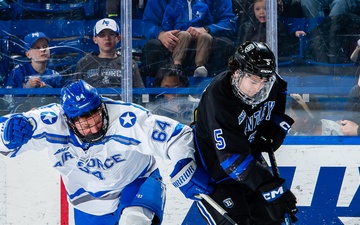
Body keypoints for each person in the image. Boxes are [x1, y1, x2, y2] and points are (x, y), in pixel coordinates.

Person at [0, 79, 213, 225]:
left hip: (137, 180)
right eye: (84, 124)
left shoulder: (126, 119)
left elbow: (177, 135)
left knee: (135, 220)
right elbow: (5, 138)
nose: (93, 128)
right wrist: (6, 137)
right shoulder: (49, 122)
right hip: (88, 201)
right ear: (68, 120)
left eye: (96, 118)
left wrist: (184, 163)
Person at [192, 41, 298, 224]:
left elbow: (280, 88)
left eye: (264, 81)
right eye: (253, 80)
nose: (258, 88)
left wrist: (274, 125)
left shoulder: (271, 83)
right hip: (215, 176)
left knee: (272, 220)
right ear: (236, 71)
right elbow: (231, 159)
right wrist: (270, 186)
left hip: (250, 164)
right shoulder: (219, 97)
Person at [142, 0, 237, 77]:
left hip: (206, 43)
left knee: (225, 45)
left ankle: (214, 87)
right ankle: (159, 89)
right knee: (152, 46)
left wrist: (207, 29)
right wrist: (161, 34)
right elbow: (147, 23)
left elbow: (229, 23)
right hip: (173, 45)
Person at [74, 18, 145, 90]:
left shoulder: (128, 63)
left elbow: (140, 93)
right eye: (102, 35)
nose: (107, 38)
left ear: (118, 38)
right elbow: (76, 92)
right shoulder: (84, 63)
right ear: (95, 39)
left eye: (111, 34)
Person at [5, 31, 64, 112]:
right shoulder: (18, 72)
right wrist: (27, 87)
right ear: (28, 54)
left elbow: (62, 103)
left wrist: (47, 89)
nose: (43, 50)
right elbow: (8, 101)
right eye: (37, 48)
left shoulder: (55, 76)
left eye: (45, 46)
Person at [160, 0, 213, 77]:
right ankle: (177, 64)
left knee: (206, 36)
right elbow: (167, 24)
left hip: (197, 32)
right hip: (180, 32)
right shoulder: (173, 5)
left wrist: (204, 29)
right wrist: (169, 32)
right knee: (185, 35)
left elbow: (209, 22)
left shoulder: (203, 6)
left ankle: (200, 66)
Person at [236, 0, 302, 57]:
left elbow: (284, 47)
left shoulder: (278, 26)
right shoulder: (249, 26)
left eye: (266, 8)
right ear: (253, 9)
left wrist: (294, 36)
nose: (261, 12)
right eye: (257, 9)